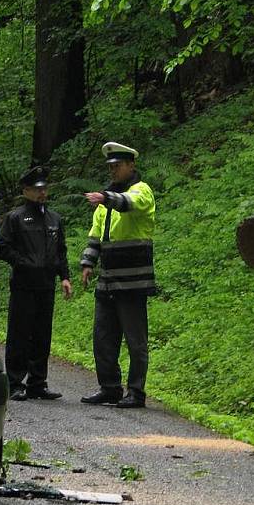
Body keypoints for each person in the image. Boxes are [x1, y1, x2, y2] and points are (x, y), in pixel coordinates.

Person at [79, 142, 156, 409]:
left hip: (133, 280)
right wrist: (87, 264)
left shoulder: (141, 190)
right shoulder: (105, 199)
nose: (113, 170)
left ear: (131, 165)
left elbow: (129, 204)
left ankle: (136, 391)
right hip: (108, 279)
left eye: (117, 166)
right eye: (110, 166)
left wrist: (107, 198)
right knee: (102, 338)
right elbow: (95, 236)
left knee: (136, 340)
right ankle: (110, 388)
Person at [0, 165, 72, 401]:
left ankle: (38, 382)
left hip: (46, 285)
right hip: (23, 285)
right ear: (26, 191)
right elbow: (3, 248)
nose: (42, 193)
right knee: (20, 334)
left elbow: (61, 251)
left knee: (42, 334)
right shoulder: (16, 217)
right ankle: (15, 382)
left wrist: (65, 277)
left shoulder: (54, 219)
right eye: (36, 189)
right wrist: (24, 263)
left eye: (44, 188)